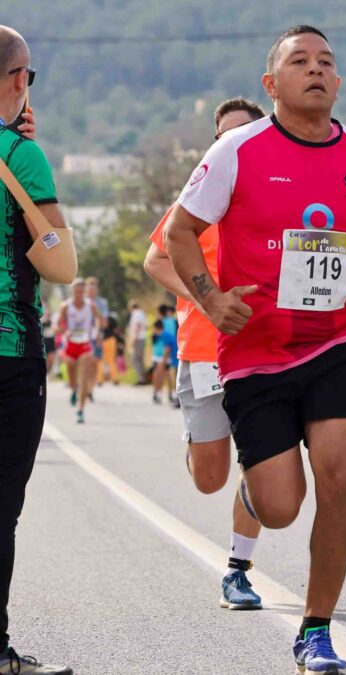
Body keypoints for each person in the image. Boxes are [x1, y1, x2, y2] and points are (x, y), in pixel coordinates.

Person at [163, 25, 346, 672]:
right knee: (280, 506)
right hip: (254, 349)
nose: (316, 70)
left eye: (326, 62)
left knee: (342, 470)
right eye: (299, 61)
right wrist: (210, 298)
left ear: (339, 83)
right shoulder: (237, 151)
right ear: (271, 84)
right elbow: (182, 231)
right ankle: (256, 495)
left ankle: (316, 626)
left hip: (335, 340)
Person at [144, 96, 267, 611]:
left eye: (243, 134)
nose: (232, 143)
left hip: (263, 348)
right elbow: (155, 260)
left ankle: (238, 570)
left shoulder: (276, 196)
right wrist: (207, 298)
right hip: (203, 348)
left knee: (263, 461)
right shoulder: (199, 198)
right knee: (210, 477)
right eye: (223, 136)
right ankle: (197, 443)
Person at [0, 23, 74, 674]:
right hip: (7, 347)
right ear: (19, 80)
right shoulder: (21, 156)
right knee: (0, 506)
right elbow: (58, 264)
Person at [57, 278, 103, 424]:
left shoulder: (91, 306)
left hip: (85, 345)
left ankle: (80, 410)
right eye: (76, 290)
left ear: (84, 292)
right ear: (72, 290)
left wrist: (96, 331)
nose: (78, 293)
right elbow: (58, 325)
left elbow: (99, 321)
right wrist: (65, 331)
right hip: (70, 345)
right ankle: (73, 389)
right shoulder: (65, 306)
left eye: (81, 290)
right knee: (72, 373)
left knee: (84, 377)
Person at [149, 318, 178, 406]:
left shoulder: (164, 335)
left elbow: (167, 349)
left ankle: (172, 394)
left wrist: (163, 362)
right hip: (174, 357)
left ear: (156, 328)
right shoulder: (166, 334)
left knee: (170, 376)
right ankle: (172, 394)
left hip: (175, 358)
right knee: (170, 376)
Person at [126, 300, 148, 383]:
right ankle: (143, 377)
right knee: (140, 359)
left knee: (136, 359)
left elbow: (137, 325)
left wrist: (134, 339)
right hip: (142, 337)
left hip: (138, 338)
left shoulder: (136, 313)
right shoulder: (142, 313)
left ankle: (141, 378)